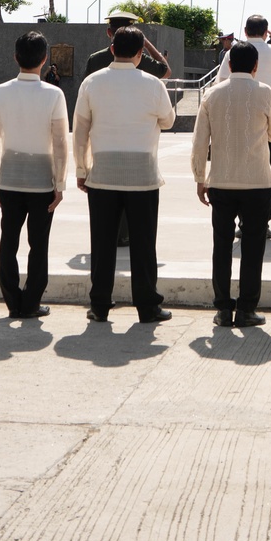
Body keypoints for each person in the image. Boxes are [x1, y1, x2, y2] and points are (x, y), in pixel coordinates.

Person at [73, 25, 175, 323]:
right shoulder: (153, 84)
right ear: (141, 54)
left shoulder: (92, 82)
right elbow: (168, 121)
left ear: (112, 50)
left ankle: (100, 305)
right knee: (144, 243)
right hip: (142, 173)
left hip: (102, 172)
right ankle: (147, 306)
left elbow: (80, 131)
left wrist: (81, 169)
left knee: (102, 242)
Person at [191, 40, 271, 327]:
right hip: (257, 181)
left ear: (229, 64)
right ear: (256, 66)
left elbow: (199, 142)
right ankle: (246, 309)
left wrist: (199, 177)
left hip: (221, 181)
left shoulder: (212, 94)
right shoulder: (265, 92)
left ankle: (222, 308)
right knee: (253, 248)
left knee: (221, 245)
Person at [0, 30, 68, 319]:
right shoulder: (54, 94)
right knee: (39, 243)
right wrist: (60, 183)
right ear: (45, 59)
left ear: (15, 57)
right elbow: (59, 142)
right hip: (42, 179)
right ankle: (31, 302)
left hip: (9, 176)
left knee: (8, 240)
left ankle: (12, 300)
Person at [214, 13, 271, 235]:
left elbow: (219, 84)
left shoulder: (234, 54)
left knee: (239, 171)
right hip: (269, 124)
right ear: (266, 32)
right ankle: (262, 222)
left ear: (245, 32)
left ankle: (242, 220)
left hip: (237, 121)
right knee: (267, 173)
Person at [83, 10, 170, 80]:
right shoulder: (138, 58)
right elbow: (166, 72)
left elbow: (86, 87)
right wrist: (146, 44)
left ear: (109, 33)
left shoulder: (94, 60)